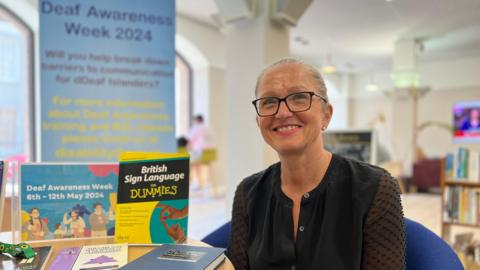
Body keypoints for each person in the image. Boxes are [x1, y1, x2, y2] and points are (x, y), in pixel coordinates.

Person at [227, 58, 405, 269]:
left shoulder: (375, 188)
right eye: (269, 102)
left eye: (300, 97)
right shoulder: (248, 193)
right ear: (259, 121)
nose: (282, 112)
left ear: (326, 115)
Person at [187, 115, 215, 191]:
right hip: (210, 152)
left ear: (196, 120)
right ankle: (208, 183)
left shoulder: (196, 128)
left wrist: (187, 147)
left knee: (194, 164)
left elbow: (190, 139)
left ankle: (198, 183)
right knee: (207, 165)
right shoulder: (208, 128)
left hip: (200, 151)